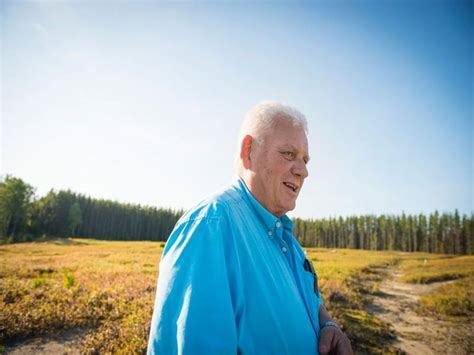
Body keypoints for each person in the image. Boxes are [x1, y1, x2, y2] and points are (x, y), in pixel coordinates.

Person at [147, 101, 353, 355]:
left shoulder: (286, 239)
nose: (303, 171)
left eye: (305, 159)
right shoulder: (210, 228)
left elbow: (310, 300)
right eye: (289, 154)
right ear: (249, 151)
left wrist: (328, 324)